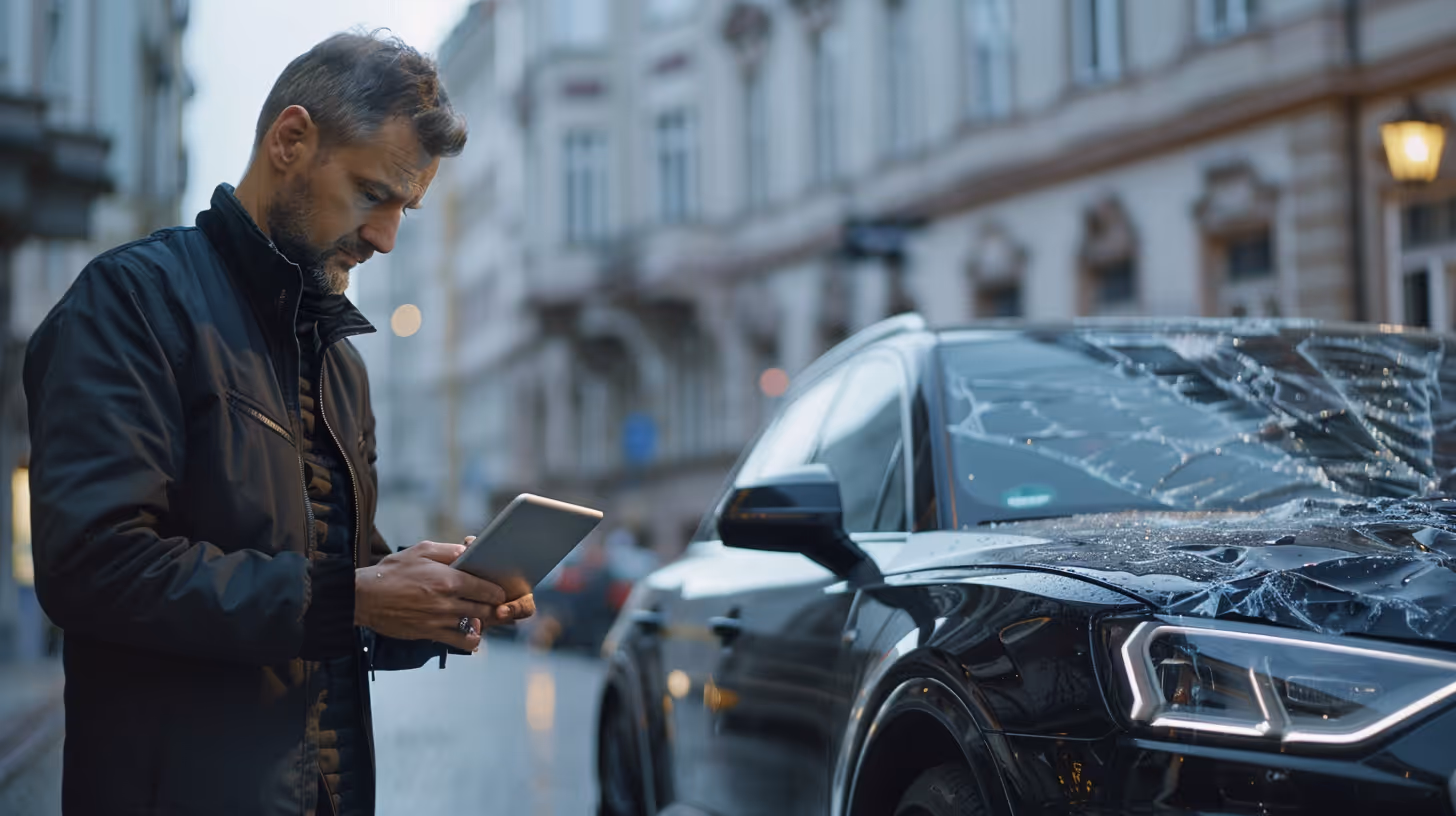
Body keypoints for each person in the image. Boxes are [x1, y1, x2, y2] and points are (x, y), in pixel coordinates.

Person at [22, 32, 531, 816]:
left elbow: (332, 595)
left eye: (405, 207)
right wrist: (352, 597)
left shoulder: (339, 362)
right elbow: (94, 567)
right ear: (290, 140)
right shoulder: (131, 303)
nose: (386, 236)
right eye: (373, 193)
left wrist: (435, 602)